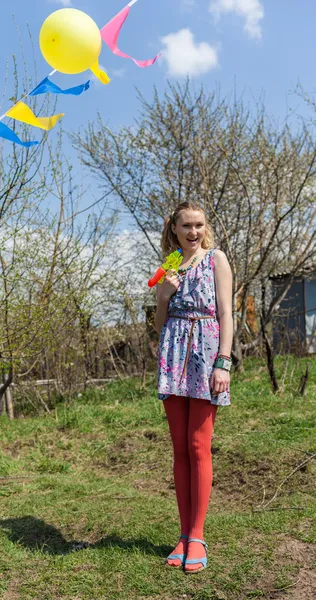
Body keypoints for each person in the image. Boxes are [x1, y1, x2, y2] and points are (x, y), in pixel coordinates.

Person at [154, 201, 233, 574]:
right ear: (174, 228)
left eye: (199, 225)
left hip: (206, 355)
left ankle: (198, 535)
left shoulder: (216, 259)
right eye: (186, 226)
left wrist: (224, 362)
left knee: (199, 445)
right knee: (180, 450)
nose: (193, 232)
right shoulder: (168, 265)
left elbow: (225, 313)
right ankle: (183, 534)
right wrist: (163, 295)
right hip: (172, 356)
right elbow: (158, 324)